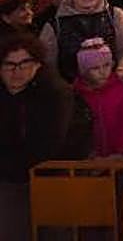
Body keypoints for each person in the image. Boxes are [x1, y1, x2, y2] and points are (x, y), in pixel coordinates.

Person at [0, 34, 89, 239]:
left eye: (24, 63)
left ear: (37, 64)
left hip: (55, 171)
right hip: (12, 174)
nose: (17, 71)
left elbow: (48, 144)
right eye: (9, 65)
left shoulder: (55, 93)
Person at [40, 0, 123, 83]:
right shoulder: (54, 26)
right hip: (73, 91)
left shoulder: (115, 15)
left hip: (111, 83)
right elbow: (48, 67)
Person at [72, 38, 123, 159]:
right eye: (95, 68)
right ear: (84, 71)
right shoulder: (76, 94)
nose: (103, 72)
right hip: (89, 161)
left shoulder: (121, 89)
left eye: (106, 65)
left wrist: (122, 150)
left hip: (120, 157)